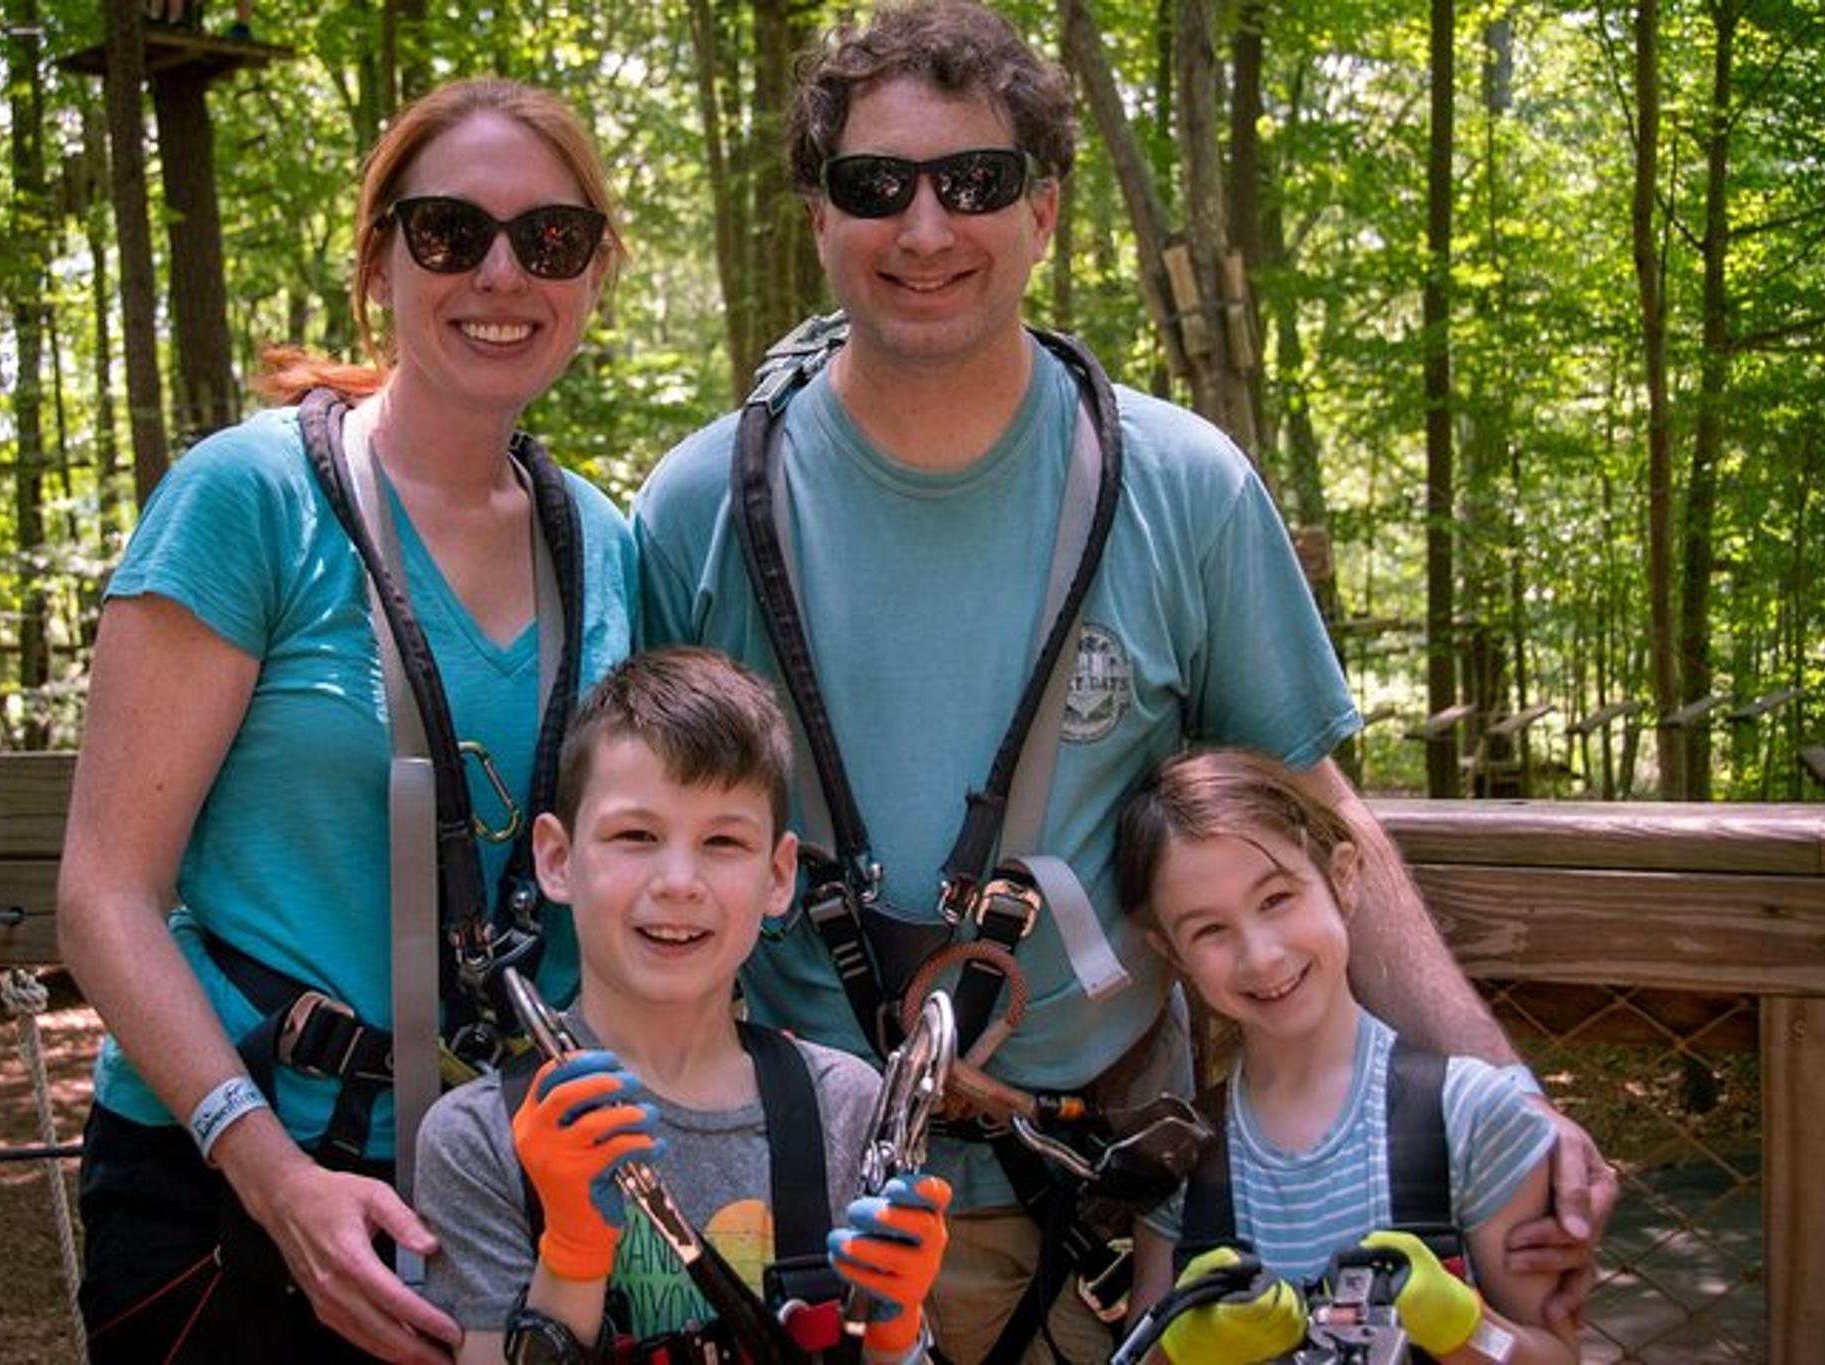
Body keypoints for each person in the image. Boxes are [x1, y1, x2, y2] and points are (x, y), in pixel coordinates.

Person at [632, 2, 1613, 1359]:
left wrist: (1508, 1112)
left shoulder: (1179, 487)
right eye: (877, 187)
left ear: (1043, 213)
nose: (926, 230)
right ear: (820, 217)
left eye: (974, 182)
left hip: (1100, 1211)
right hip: (784, 1210)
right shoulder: (701, 508)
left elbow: (1326, 828)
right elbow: (620, 868)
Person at [57, 77, 638, 1364]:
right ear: (378, 261)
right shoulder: (250, 501)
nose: (500, 274)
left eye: (549, 240)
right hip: (225, 1192)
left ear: (594, 274)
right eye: (448, 233)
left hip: (507, 1190)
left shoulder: (605, 545)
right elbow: (104, 891)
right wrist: (270, 1179)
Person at [415, 647, 953, 1363]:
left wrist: (895, 1330)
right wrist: (571, 1249)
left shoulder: (845, 1106)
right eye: (635, 834)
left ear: (779, 873)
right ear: (555, 857)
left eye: (723, 840)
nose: (678, 880)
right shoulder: (477, 1139)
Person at [1115, 749, 1576, 1364]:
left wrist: (1466, 1328)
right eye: (1209, 930)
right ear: (1170, 950)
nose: (1262, 956)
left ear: (1345, 876)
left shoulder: (1472, 1116)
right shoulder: (1181, 1153)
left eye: (1276, 899)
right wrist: (1182, 1349)